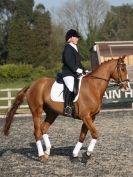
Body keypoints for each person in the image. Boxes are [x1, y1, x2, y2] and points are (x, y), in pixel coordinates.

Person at [62, 29, 87, 116]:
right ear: (71, 37)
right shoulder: (68, 48)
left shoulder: (75, 48)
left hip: (75, 73)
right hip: (68, 73)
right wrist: (77, 69)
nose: (78, 39)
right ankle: (67, 107)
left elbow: (78, 63)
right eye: (76, 37)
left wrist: (84, 70)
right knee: (71, 87)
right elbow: (68, 61)